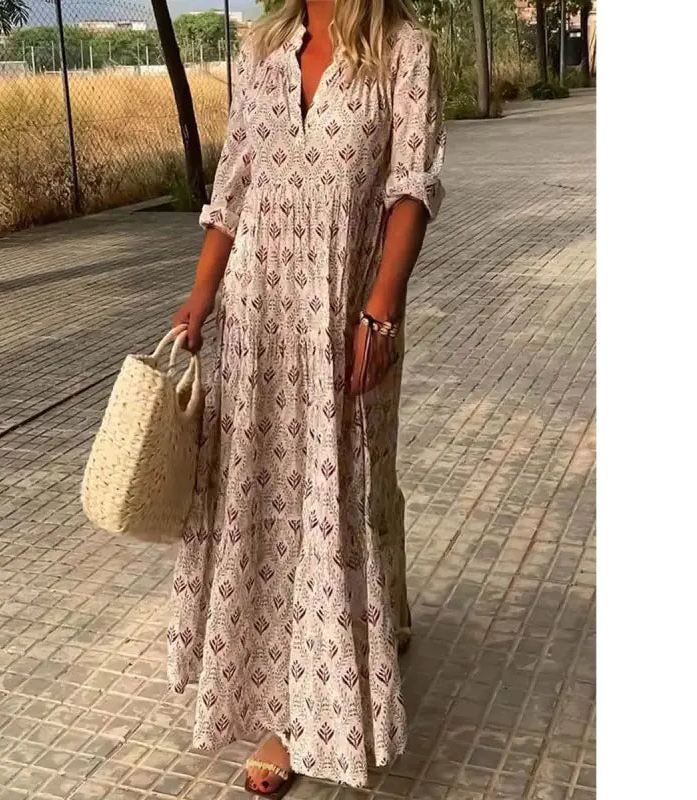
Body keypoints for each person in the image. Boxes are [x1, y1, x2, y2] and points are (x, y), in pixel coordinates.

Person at [168, 0, 446, 793]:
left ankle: (356, 652)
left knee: (351, 487)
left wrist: (381, 309)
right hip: (257, 320)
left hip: (345, 316)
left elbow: (411, 189)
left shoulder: (404, 51)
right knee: (268, 498)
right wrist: (201, 294)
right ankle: (284, 710)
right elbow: (234, 183)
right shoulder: (263, 49)